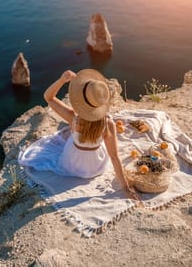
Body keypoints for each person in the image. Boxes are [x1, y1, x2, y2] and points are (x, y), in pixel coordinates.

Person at [19, 68, 139, 200]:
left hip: (72, 165)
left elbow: (48, 97)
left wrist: (62, 79)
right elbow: (114, 157)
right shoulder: (108, 124)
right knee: (96, 143)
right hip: (96, 167)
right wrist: (125, 188)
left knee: (64, 135)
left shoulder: (74, 118)